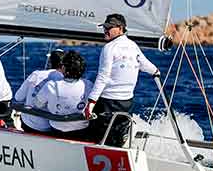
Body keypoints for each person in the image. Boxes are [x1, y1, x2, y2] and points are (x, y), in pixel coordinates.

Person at [84, 13, 160, 146]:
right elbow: (145, 64)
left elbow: (103, 76)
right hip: (126, 103)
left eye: (109, 27)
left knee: (97, 135)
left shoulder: (109, 48)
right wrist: (156, 71)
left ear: (120, 28)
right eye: (105, 27)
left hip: (108, 102)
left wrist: (91, 102)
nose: (105, 30)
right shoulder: (133, 45)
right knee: (117, 135)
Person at [34, 51, 93, 138]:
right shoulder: (89, 85)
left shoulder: (51, 85)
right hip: (82, 129)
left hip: (57, 129)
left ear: (63, 67)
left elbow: (38, 104)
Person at [14, 49, 65, 133]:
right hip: (48, 127)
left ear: (49, 62)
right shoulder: (64, 81)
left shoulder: (35, 74)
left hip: (28, 123)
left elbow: (18, 97)